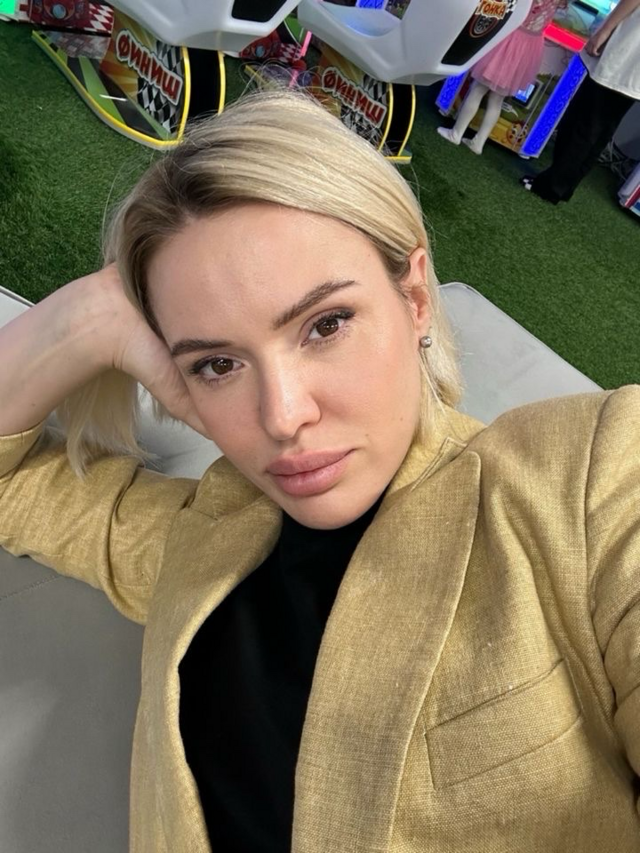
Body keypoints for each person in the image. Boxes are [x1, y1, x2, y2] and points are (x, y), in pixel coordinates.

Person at [0, 89, 639, 853]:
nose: (282, 415)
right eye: (217, 363)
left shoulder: (589, 475)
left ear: (414, 297)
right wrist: (91, 314)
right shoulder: (198, 537)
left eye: (325, 324)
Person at [524, 0, 640, 202]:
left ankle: (552, 186)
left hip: (625, 50)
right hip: (632, 67)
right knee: (601, 128)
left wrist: (605, 30)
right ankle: (564, 186)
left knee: (584, 123)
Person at [437, 0, 568, 155]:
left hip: (511, 38)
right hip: (530, 45)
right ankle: (478, 142)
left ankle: (456, 133)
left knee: (478, 89)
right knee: (497, 99)